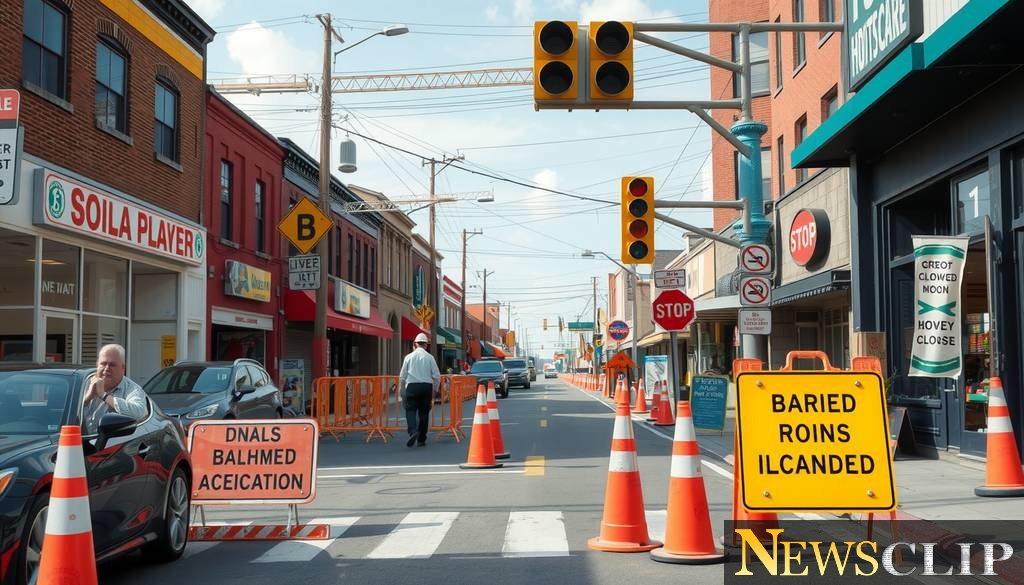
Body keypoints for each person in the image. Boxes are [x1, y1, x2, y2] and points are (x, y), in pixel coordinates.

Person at [82, 344, 148, 433]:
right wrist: (87, 398)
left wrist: (104, 396)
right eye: (103, 364)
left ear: (123, 368)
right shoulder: (84, 383)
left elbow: (139, 413)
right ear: (97, 365)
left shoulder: (132, 389)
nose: (106, 368)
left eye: (112, 365)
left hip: (113, 443)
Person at [398, 332, 440, 447]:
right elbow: (436, 376)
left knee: (410, 410)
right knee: (424, 413)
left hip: (412, 386)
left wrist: (401, 391)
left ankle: (413, 431)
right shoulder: (430, 357)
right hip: (426, 386)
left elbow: (402, 376)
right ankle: (421, 439)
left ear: (415, 344)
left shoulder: (408, 357)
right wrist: (435, 391)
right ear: (426, 345)